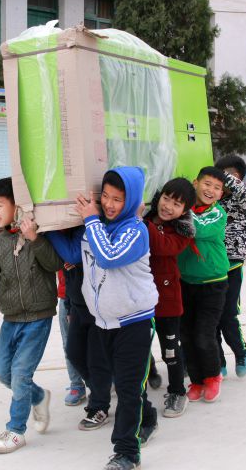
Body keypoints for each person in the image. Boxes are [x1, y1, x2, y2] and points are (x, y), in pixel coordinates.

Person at [48, 167, 158, 470]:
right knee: (106, 375)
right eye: (106, 197)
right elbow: (72, 253)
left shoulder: (136, 230)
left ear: (131, 199)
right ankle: (146, 415)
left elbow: (109, 256)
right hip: (102, 322)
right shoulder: (93, 228)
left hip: (134, 323)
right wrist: (45, 226)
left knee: (126, 389)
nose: (109, 204)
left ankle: (126, 453)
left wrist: (91, 218)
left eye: (118, 199)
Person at [0, 177, 62, 455]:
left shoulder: (39, 234)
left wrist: (35, 239)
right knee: (4, 373)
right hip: (11, 319)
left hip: (39, 318)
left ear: (16, 205)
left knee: (20, 374)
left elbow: (55, 264)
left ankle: (16, 431)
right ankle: (39, 397)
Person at [48, 229, 112, 430]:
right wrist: (67, 303)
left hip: (97, 305)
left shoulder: (86, 228)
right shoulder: (65, 230)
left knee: (96, 358)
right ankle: (99, 389)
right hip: (76, 303)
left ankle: (99, 406)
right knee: (74, 353)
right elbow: (68, 271)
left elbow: (73, 254)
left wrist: (47, 231)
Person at [144, 178, 196, 418]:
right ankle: (149, 375)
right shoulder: (146, 217)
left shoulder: (181, 232)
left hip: (167, 299)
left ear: (184, 211)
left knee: (171, 349)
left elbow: (162, 247)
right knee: (140, 346)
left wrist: (141, 221)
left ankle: (177, 392)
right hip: (140, 297)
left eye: (176, 204)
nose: (168, 206)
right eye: (166, 198)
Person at [177, 167, 230, 404]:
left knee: (203, 334)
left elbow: (196, 229)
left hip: (213, 284)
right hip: (186, 282)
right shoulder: (185, 208)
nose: (211, 190)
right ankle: (196, 380)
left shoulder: (218, 214)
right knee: (186, 335)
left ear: (221, 194)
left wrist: (180, 208)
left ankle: (212, 376)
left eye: (217, 188)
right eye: (207, 184)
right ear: (196, 183)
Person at [215, 155, 246, 378]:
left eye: (227, 176)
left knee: (228, 315)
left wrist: (215, 176)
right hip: (211, 266)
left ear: (238, 177)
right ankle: (218, 360)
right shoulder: (214, 200)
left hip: (232, 264)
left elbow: (238, 189)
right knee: (210, 319)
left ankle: (241, 352)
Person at [56, 269, 87, 406]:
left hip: (96, 288)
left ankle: (110, 377)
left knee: (101, 339)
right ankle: (76, 384)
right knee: (69, 343)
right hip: (67, 293)